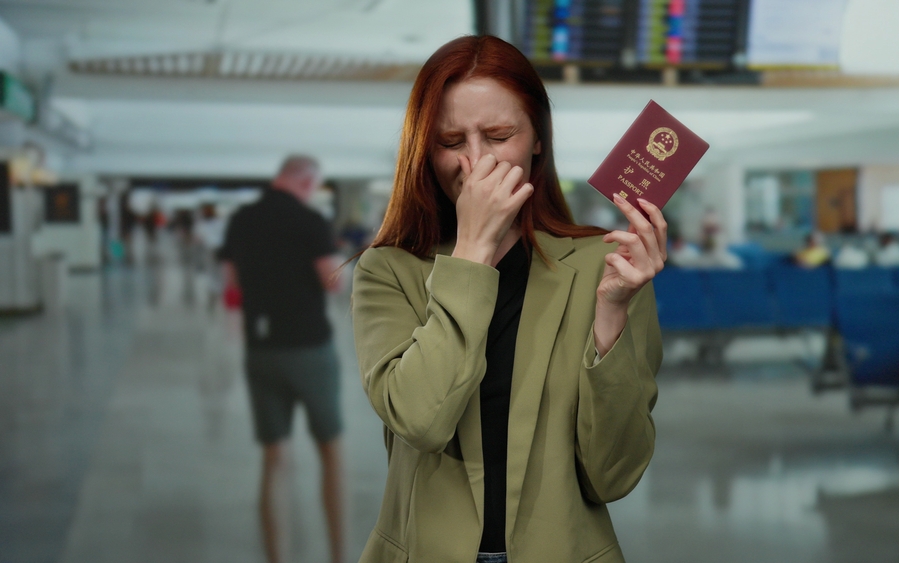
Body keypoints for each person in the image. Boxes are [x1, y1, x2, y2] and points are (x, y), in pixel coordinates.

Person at [351, 36, 664, 563]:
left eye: (498, 135)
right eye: (451, 141)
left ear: (537, 139)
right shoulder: (388, 270)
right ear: (424, 150)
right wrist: (472, 252)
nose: (475, 163)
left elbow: (614, 474)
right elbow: (421, 421)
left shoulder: (604, 266)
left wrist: (610, 315)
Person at [218, 156, 344, 563]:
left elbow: (231, 281)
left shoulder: (241, 219)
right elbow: (333, 282)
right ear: (306, 181)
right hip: (309, 347)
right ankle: (339, 555)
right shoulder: (309, 221)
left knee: (275, 459)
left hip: (261, 349)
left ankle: (277, 557)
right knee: (331, 450)